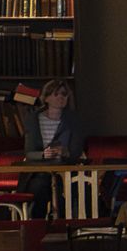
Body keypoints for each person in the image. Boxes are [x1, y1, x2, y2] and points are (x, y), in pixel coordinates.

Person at [22, 77, 82, 218]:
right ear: (47, 98)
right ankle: (38, 225)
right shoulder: (33, 120)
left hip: (65, 172)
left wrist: (65, 152)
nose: (61, 97)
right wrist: (43, 155)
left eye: (64, 94)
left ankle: (63, 224)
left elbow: (77, 151)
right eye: (56, 94)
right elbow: (29, 153)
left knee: (69, 189)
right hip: (39, 172)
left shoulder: (73, 121)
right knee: (39, 188)